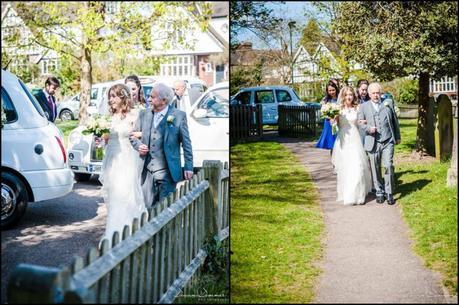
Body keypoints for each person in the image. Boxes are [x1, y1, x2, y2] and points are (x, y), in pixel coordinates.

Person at [98, 84, 147, 246]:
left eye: (114, 96)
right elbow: (105, 139)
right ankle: (114, 232)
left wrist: (139, 134)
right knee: (114, 196)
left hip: (127, 160)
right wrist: (100, 138)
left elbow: (145, 133)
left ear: (123, 97)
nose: (110, 100)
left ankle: (132, 233)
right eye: (110, 96)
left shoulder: (135, 114)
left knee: (127, 195)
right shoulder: (107, 117)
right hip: (112, 160)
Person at [129, 83, 194, 208]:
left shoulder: (179, 116)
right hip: (146, 171)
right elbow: (132, 136)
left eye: (152, 97)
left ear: (164, 100)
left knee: (165, 210)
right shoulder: (144, 114)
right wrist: (138, 146)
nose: (149, 99)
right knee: (146, 209)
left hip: (168, 172)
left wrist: (188, 166)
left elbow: (186, 144)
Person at [358, 83, 401, 205]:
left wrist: (397, 136)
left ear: (381, 93)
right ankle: (379, 191)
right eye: (373, 93)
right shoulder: (363, 106)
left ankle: (389, 192)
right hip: (373, 141)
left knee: (388, 165)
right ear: (369, 94)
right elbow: (360, 123)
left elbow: (394, 120)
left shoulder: (388, 102)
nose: (376, 95)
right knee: (375, 168)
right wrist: (368, 128)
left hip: (388, 140)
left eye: (378, 93)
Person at [331, 86, 372, 205]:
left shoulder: (357, 108)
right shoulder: (338, 109)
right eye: (347, 95)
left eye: (351, 95)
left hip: (355, 140)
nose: (349, 97)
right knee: (346, 168)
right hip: (343, 140)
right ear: (343, 96)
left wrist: (363, 123)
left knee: (358, 166)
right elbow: (335, 125)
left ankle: (359, 196)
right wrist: (333, 121)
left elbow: (359, 122)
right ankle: (349, 196)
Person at [316, 81, 339, 150]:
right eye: (330, 90)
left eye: (333, 90)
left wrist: (335, 117)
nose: (331, 92)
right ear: (327, 91)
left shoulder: (340, 99)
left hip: (338, 122)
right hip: (329, 123)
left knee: (338, 143)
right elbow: (323, 112)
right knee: (331, 144)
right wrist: (330, 117)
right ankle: (333, 159)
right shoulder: (325, 100)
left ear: (336, 89)